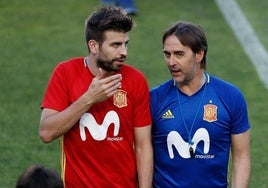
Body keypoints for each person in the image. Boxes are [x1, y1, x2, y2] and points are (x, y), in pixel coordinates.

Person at [39, 6, 153, 188]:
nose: (123, 52)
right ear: (93, 45)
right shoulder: (65, 73)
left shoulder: (136, 80)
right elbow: (46, 132)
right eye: (115, 45)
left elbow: (143, 147)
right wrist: (89, 98)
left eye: (125, 44)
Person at [150, 21, 251, 187]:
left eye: (179, 54)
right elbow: (141, 153)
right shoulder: (154, 99)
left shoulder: (231, 96)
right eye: (167, 54)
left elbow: (241, 157)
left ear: (199, 55)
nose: (171, 62)